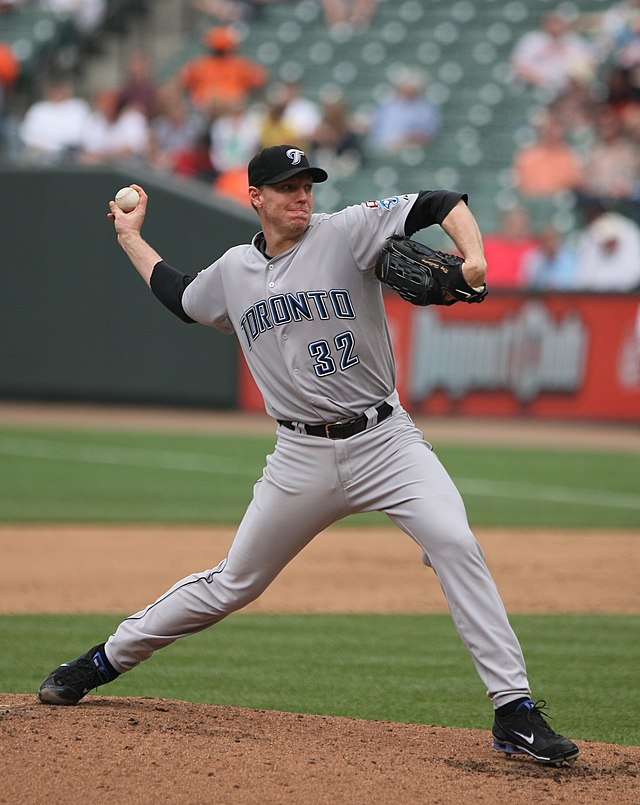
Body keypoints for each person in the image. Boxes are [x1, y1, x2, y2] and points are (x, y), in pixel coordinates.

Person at [37, 144, 580, 769]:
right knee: (233, 583)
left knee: (455, 543)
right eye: (288, 186)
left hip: (386, 441)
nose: (302, 196)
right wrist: (131, 235)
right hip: (300, 456)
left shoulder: (347, 231)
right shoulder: (234, 271)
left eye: (308, 184)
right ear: (256, 197)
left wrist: (475, 256)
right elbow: (180, 296)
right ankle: (102, 660)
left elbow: (438, 202)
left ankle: (513, 711)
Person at [179, 25, 267, 113]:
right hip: (206, 109)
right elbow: (184, 84)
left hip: (230, 109)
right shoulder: (240, 64)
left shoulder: (199, 64)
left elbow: (259, 81)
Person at [510, 9, 598, 96]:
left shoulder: (574, 40)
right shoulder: (533, 39)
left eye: (559, 22)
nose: (556, 25)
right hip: (537, 88)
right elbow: (519, 66)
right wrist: (544, 81)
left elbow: (592, 60)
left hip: (569, 89)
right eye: (553, 21)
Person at [17, 75, 91, 163]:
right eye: (55, 89)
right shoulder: (38, 109)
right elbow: (27, 133)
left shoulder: (78, 107)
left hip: (72, 152)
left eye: (60, 88)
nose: (58, 92)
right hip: (41, 152)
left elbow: (83, 133)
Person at [367, 68, 440, 154]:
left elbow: (427, 135)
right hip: (381, 147)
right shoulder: (387, 105)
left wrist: (407, 138)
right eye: (404, 85)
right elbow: (376, 130)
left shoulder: (427, 108)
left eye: (410, 86)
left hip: (409, 149)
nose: (407, 89)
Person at [573, 210, 640, 290]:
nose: (609, 246)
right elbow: (585, 279)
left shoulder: (630, 249)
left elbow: (631, 279)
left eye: (611, 241)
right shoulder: (592, 250)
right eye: (606, 242)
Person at [481, 208, 537, 288]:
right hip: (492, 295)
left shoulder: (534, 249)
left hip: (522, 295)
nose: (517, 228)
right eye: (512, 224)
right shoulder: (487, 245)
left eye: (521, 224)